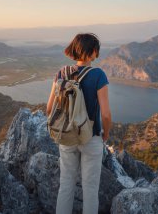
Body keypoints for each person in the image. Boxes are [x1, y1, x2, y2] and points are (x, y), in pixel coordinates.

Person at [46, 33, 112, 214]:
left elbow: (49, 108)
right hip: (90, 137)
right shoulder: (98, 75)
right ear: (92, 52)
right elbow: (105, 114)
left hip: (66, 135)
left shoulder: (61, 73)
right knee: (90, 189)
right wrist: (105, 134)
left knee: (66, 184)